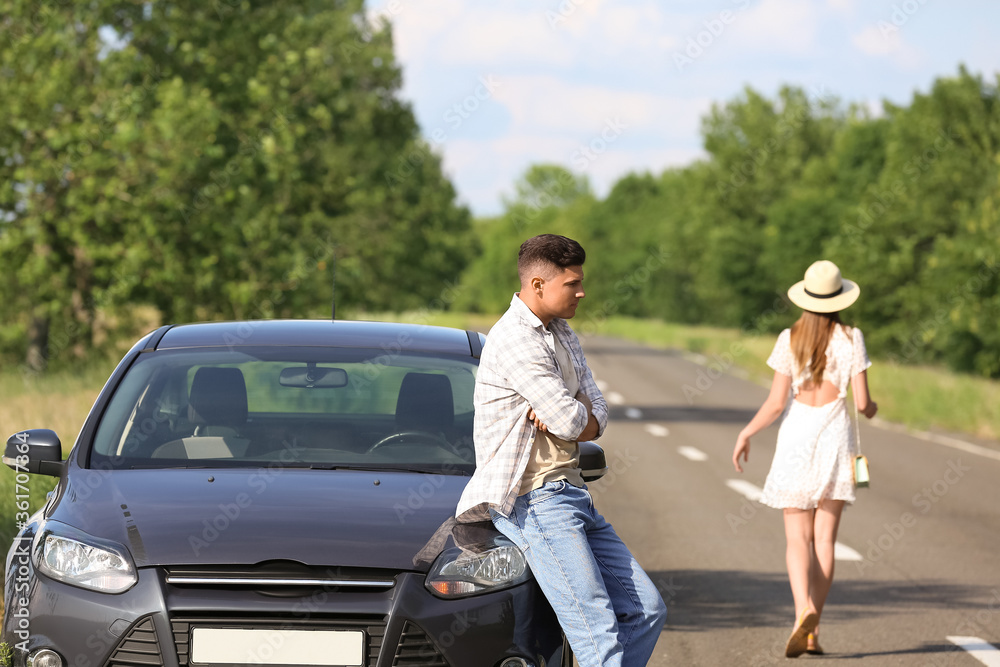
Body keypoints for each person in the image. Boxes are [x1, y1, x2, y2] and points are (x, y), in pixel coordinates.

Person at [456, 234, 667, 667]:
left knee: (646, 610)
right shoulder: (516, 339)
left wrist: (574, 414)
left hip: (570, 493)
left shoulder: (562, 332)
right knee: (596, 634)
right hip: (534, 499)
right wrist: (576, 416)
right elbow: (576, 422)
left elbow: (594, 415)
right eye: (572, 284)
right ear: (537, 284)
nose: (582, 292)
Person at [732, 260, 878, 658]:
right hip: (834, 439)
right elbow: (862, 402)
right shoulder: (852, 338)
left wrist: (747, 432)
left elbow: (777, 402)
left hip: (796, 436)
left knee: (797, 538)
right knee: (825, 540)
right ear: (840, 298)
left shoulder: (789, 337)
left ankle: (803, 611)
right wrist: (872, 408)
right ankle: (813, 631)